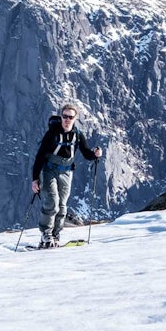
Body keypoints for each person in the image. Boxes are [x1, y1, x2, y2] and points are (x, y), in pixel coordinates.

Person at [31, 103, 102, 248]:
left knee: (62, 206)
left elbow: (86, 152)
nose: (67, 119)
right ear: (61, 117)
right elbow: (40, 156)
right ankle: (46, 234)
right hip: (49, 170)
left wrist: (95, 154)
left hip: (66, 172)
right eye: (64, 116)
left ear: (75, 118)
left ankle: (55, 235)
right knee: (52, 201)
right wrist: (35, 179)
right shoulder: (52, 134)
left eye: (70, 117)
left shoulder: (77, 134)